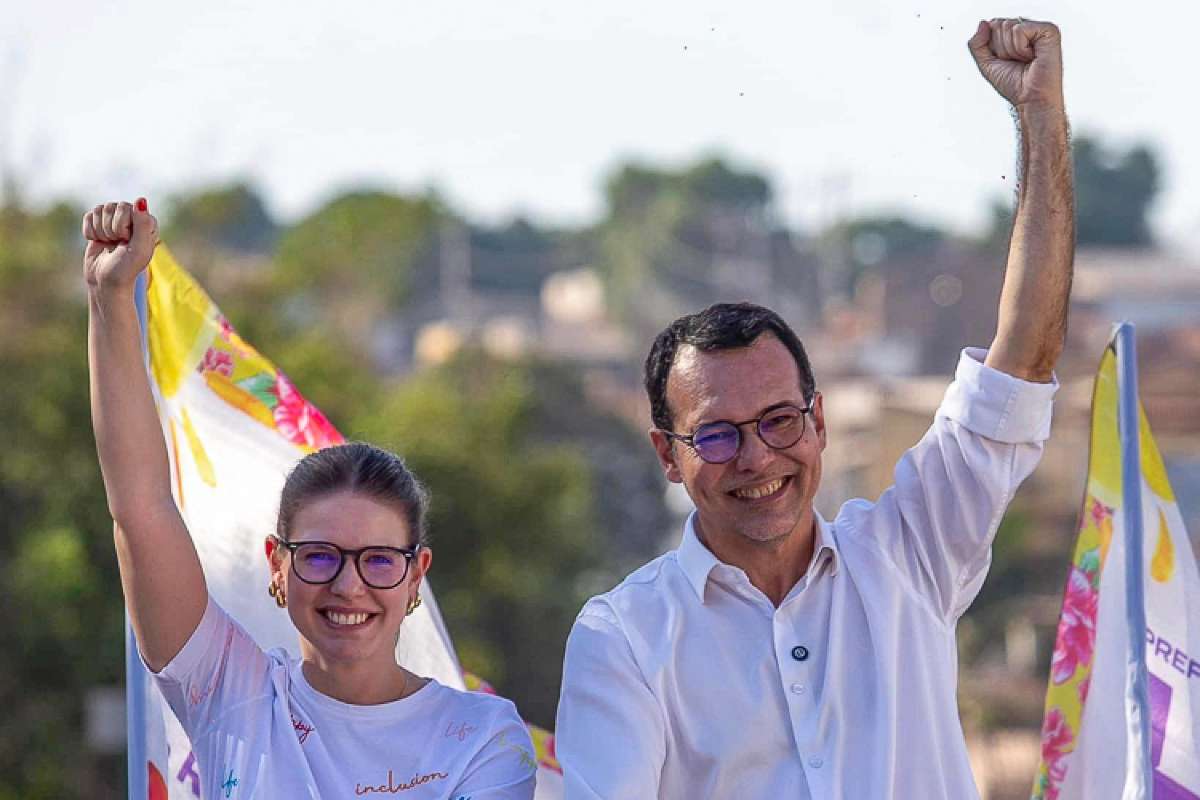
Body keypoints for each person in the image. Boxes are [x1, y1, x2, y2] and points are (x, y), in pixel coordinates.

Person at [555, 17, 1073, 799]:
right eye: (719, 436)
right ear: (668, 455)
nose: (759, 457)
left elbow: (1024, 358)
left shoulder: (909, 556)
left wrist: (1038, 117)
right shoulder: (625, 638)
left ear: (819, 422)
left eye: (778, 421)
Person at [83, 199, 537, 798]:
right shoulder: (229, 693)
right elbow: (140, 506)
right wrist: (109, 299)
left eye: (378, 559)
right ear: (277, 564)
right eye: (321, 555)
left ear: (415, 576)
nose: (349, 587)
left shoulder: (485, 738)